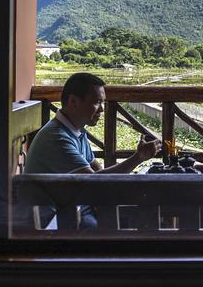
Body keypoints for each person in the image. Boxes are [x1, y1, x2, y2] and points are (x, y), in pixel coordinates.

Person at [24, 72, 161, 229]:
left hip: (75, 207)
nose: (102, 109)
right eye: (96, 102)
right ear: (73, 101)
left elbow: (98, 172)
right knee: (126, 221)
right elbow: (94, 183)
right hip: (53, 220)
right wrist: (138, 158)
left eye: (102, 103)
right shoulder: (57, 138)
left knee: (137, 211)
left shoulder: (76, 131)